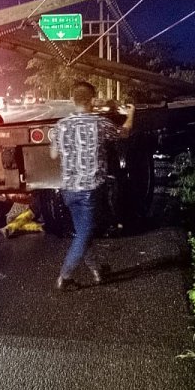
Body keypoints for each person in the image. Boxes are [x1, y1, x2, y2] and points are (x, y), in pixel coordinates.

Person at [49, 81, 135, 290]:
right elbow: (124, 133)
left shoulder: (62, 125)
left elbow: (53, 154)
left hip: (68, 189)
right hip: (90, 189)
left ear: (73, 100)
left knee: (82, 231)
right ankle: (65, 277)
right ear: (92, 101)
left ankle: (97, 271)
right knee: (85, 233)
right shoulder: (99, 123)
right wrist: (131, 113)